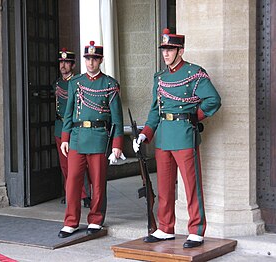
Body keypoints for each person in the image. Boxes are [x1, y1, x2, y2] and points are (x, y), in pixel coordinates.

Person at [133, 28, 221, 248]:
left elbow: (213, 100)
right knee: (164, 186)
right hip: (163, 136)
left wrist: (194, 116)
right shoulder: (160, 78)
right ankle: (165, 227)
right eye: (164, 49)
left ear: (180, 50)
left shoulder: (194, 73)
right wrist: (145, 134)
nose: (166, 54)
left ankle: (196, 230)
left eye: (170, 49)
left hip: (184, 134)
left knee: (192, 185)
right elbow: (155, 110)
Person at [58, 41, 124, 238]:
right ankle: (70, 221)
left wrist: (117, 144)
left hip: (99, 138)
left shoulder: (110, 84)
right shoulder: (75, 83)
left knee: (98, 183)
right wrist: (65, 138)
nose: (91, 63)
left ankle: (95, 219)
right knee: (72, 182)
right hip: (77, 138)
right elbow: (68, 113)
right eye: (88, 59)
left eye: (94, 59)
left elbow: (117, 118)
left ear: (101, 60)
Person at [53, 48, 91, 208]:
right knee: (65, 165)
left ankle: (84, 195)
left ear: (73, 65)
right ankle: (70, 192)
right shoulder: (57, 83)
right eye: (61, 62)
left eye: (66, 62)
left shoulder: (78, 82)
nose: (63, 65)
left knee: (78, 164)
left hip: (75, 128)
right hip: (60, 126)